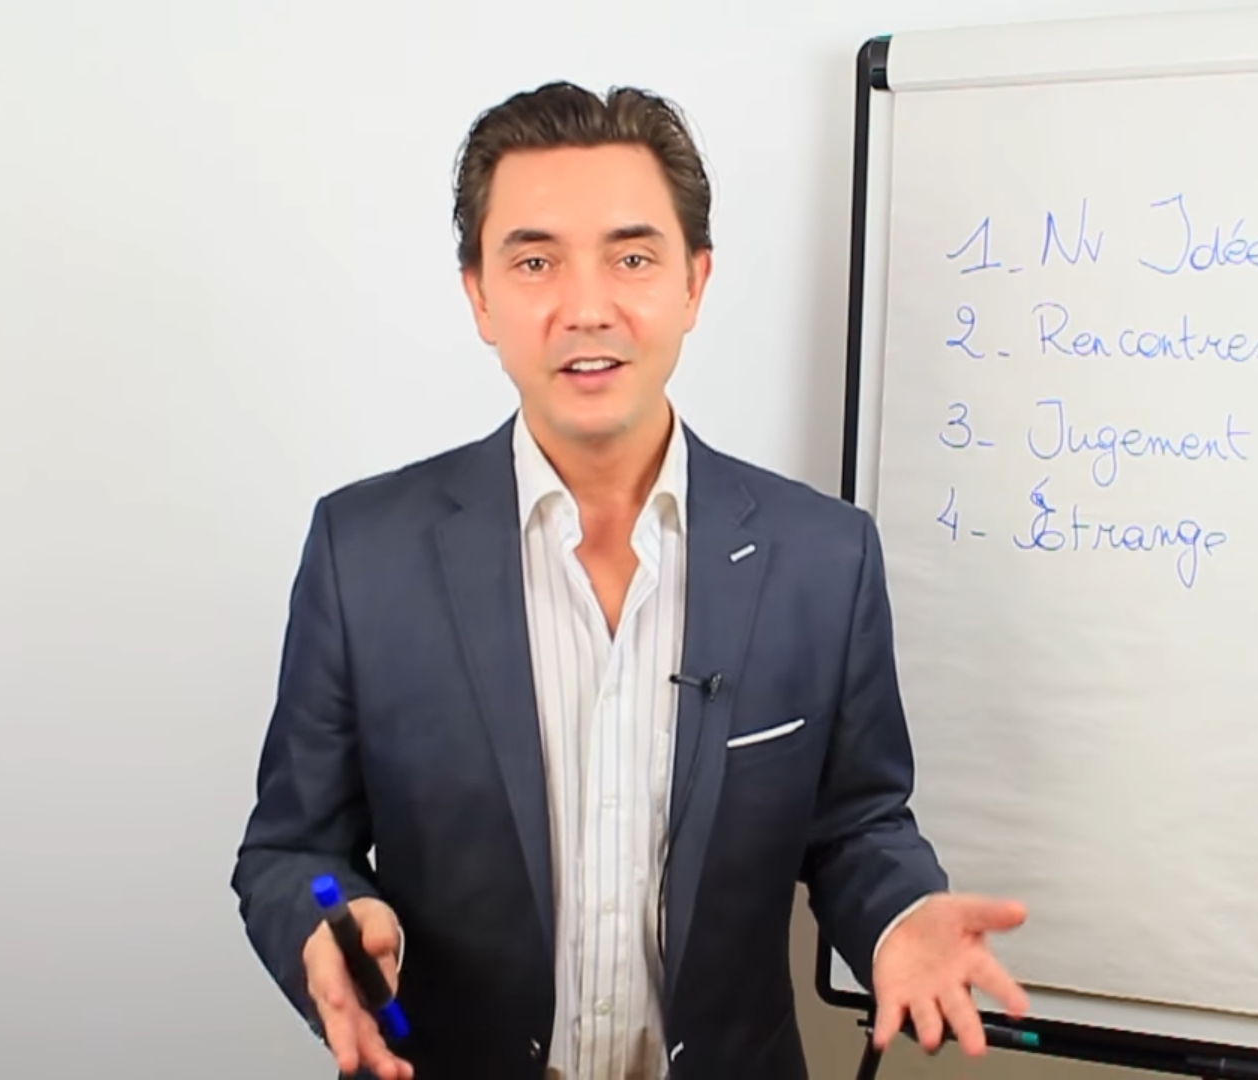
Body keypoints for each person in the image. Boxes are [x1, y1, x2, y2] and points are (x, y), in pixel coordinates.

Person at [230, 80, 1028, 1080]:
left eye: (633, 258)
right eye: (534, 261)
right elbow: (292, 852)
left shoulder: (824, 558)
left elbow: (857, 825)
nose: (586, 308)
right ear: (479, 295)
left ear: (695, 282)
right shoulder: (364, 552)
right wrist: (328, 921)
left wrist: (900, 915)